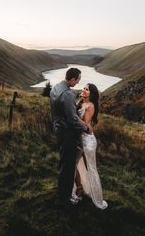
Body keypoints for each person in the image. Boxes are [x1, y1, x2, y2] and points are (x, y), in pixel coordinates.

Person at [50, 67, 92, 207]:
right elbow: (72, 120)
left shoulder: (55, 88)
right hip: (67, 134)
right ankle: (64, 199)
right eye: (78, 79)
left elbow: (54, 113)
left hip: (58, 131)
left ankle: (62, 195)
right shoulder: (68, 94)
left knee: (64, 164)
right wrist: (86, 128)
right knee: (68, 168)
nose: (79, 82)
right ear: (72, 79)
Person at [72, 83, 108, 210]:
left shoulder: (91, 106)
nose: (83, 90)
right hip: (79, 138)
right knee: (75, 164)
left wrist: (71, 115)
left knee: (90, 167)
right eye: (83, 88)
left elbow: (85, 124)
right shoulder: (80, 102)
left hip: (88, 140)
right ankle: (79, 188)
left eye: (86, 89)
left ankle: (95, 196)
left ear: (91, 93)